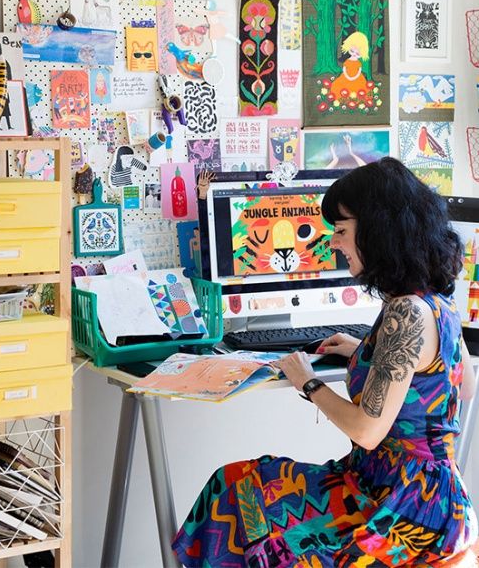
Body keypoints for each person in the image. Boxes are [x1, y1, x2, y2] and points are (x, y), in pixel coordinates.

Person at [172, 157, 478, 567]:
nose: (333, 243)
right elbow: (459, 384)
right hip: (420, 496)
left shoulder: (406, 313)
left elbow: (367, 431)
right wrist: (367, 354)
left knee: (236, 489)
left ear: (377, 231)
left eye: (342, 231)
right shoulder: (433, 300)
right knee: (243, 487)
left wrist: (308, 382)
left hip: (401, 513)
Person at [330, 30, 370, 102]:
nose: (354, 54)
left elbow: (359, 71)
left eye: (357, 53)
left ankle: (354, 99)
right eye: (352, 51)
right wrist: (347, 76)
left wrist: (354, 77)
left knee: (360, 90)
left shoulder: (358, 63)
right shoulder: (347, 60)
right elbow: (344, 69)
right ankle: (344, 99)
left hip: (357, 78)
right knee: (339, 87)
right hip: (346, 77)